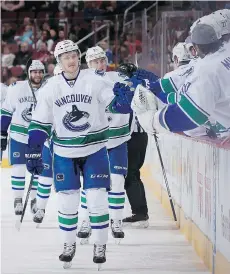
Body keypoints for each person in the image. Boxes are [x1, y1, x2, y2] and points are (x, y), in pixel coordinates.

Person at [24, 40, 133, 269]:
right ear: (59, 61)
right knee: (67, 202)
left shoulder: (95, 80)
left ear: (79, 57)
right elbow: (40, 123)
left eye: (74, 56)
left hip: (95, 150)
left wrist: (123, 101)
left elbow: (113, 104)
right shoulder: (51, 88)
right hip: (64, 153)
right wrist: (33, 150)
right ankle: (68, 244)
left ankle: (100, 244)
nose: (71, 60)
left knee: (96, 199)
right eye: (66, 57)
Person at [129, 23, 230, 140]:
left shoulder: (206, 69)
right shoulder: (225, 54)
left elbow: (192, 115)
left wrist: (154, 122)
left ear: (196, 48)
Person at [77, 46, 130, 243]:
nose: (100, 64)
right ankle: (86, 220)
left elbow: (134, 95)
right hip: (94, 142)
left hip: (117, 140)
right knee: (90, 185)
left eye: (102, 60)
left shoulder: (117, 78)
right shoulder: (82, 83)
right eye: (95, 61)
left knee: (117, 181)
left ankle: (116, 221)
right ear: (88, 63)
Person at [0, 59, 45, 216]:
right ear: (29, 73)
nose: (37, 74)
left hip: (39, 137)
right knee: (19, 168)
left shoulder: (49, 89)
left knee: (36, 170)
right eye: (34, 71)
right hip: (19, 134)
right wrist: (2, 133)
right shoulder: (17, 88)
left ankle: (34, 200)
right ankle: (18, 199)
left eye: (40, 71)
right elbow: (6, 111)